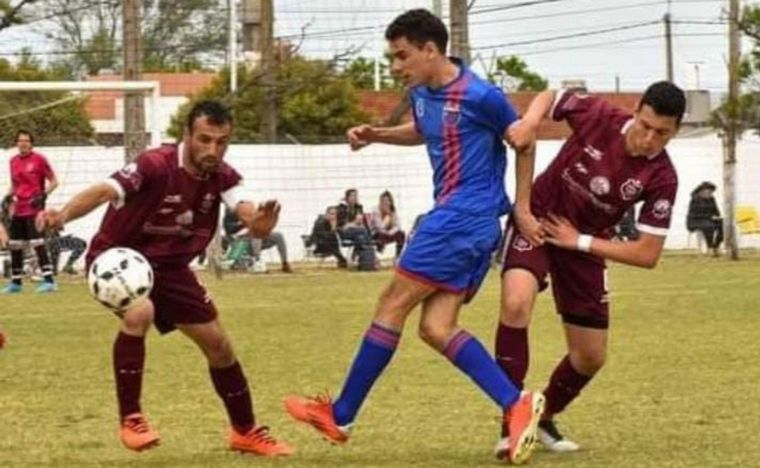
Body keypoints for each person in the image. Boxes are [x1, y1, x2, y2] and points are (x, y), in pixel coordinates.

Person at [283, 9, 544, 465]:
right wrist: (377, 135)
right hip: (462, 222)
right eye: (392, 57)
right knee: (435, 327)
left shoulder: (482, 95)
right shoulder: (423, 94)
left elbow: (524, 141)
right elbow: (426, 132)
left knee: (390, 305)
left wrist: (522, 208)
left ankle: (341, 415)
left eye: (402, 56)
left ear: (430, 49)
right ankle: (515, 402)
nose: (396, 66)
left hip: (463, 218)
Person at [36, 101, 293, 456]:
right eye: (205, 139)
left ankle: (245, 431)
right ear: (187, 135)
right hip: (119, 258)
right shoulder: (154, 165)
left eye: (222, 142)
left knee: (219, 345)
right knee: (140, 312)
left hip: (171, 268)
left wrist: (257, 224)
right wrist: (62, 214)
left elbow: (244, 206)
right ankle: (131, 418)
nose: (213, 149)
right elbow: (104, 191)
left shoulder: (223, 175)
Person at [495, 81, 686, 454]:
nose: (649, 139)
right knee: (516, 303)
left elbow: (648, 254)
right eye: (645, 126)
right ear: (635, 111)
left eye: (662, 133)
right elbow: (550, 94)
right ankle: (511, 424)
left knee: (590, 356)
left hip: (583, 244)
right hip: (539, 221)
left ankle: (542, 418)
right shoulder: (600, 116)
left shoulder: (663, 177)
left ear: (675, 130)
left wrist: (579, 241)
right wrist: (532, 119)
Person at [2, 130, 59, 293]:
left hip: (34, 209)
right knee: (15, 245)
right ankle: (16, 283)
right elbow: (14, 185)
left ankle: (49, 281)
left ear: (31, 143)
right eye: (20, 140)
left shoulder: (39, 160)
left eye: (26, 140)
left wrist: (43, 195)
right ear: (16, 143)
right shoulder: (13, 161)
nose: (23, 143)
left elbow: (54, 181)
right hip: (18, 209)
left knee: (37, 243)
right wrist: (7, 197)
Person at [223, 208, 292, 273]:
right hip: (244, 244)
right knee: (256, 235)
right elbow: (233, 235)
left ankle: (285, 263)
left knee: (278, 236)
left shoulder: (250, 216)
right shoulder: (229, 222)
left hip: (258, 239)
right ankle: (257, 261)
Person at [686, 181, 722, 256]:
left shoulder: (711, 199)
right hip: (694, 221)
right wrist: (709, 216)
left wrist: (717, 216)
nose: (710, 194)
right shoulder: (695, 200)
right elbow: (696, 214)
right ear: (702, 191)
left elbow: (716, 211)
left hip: (708, 220)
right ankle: (710, 247)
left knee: (723, 224)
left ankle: (716, 246)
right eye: (709, 192)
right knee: (708, 226)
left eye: (711, 192)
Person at [369, 190, 406, 260]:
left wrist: (391, 232)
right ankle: (378, 250)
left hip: (389, 233)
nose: (385, 203)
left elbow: (398, 226)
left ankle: (398, 257)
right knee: (381, 235)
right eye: (383, 201)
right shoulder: (375, 210)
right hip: (377, 233)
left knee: (401, 234)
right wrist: (387, 216)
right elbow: (379, 227)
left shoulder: (393, 211)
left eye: (387, 201)